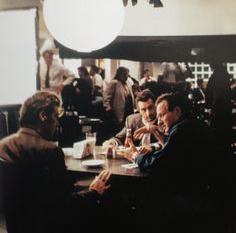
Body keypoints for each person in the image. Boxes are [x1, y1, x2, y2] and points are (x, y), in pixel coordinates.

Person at [0, 91, 111, 233]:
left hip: (18, 225)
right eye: (55, 116)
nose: (57, 122)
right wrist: (93, 191)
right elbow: (63, 207)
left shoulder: (3, 145)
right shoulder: (50, 151)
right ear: (43, 116)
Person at [124, 93, 218, 233]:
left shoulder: (181, 130)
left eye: (161, 115)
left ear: (177, 111)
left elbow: (157, 164)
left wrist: (135, 156)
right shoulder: (191, 124)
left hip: (193, 197)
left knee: (142, 201)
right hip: (206, 190)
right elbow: (171, 152)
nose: (159, 120)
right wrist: (155, 131)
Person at [103, 67, 134, 131]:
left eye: (127, 74)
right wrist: (108, 109)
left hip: (128, 112)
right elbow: (106, 97)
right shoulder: (114, 83)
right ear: (119, 74)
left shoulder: (127, 84)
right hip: (117, 113)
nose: (126, 76)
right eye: (124, 74)